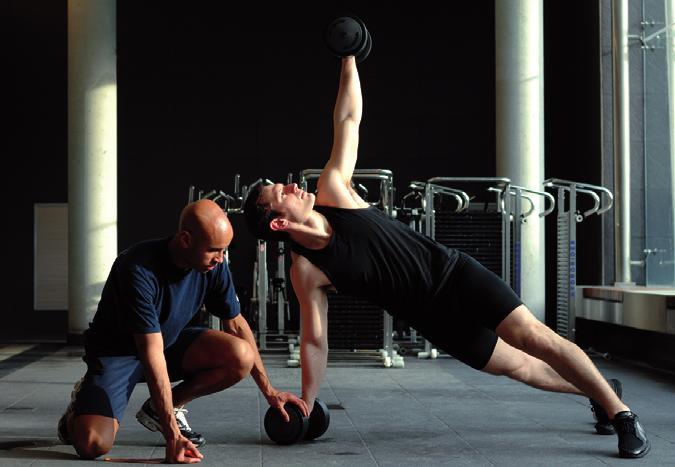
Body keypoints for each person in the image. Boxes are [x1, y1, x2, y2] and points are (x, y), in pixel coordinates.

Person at [242, 56, 650, 459]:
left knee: (533, 337)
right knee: (520, 368)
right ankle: (601, 389)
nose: (292, 186)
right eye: (282, 193)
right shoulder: (306, 269)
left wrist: (348, 57)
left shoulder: (334, 191)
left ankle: (623, 417)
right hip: (434, 319)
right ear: (278, 224)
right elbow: (315, 340)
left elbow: (348, 119)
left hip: (456, 275)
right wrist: (309, 404)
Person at [58, 199, 309, 463]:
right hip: (118, 355)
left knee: (240, 355)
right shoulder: (138, 269)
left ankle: (161, 408)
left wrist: (271, 392)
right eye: (214, 250)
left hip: (167, 343)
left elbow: (236, 324)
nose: (220, 259)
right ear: (186, 240)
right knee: (92, 445)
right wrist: (173, 436)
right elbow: (150, 354)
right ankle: (79, 406)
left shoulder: (214, 265)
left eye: (224, 250)